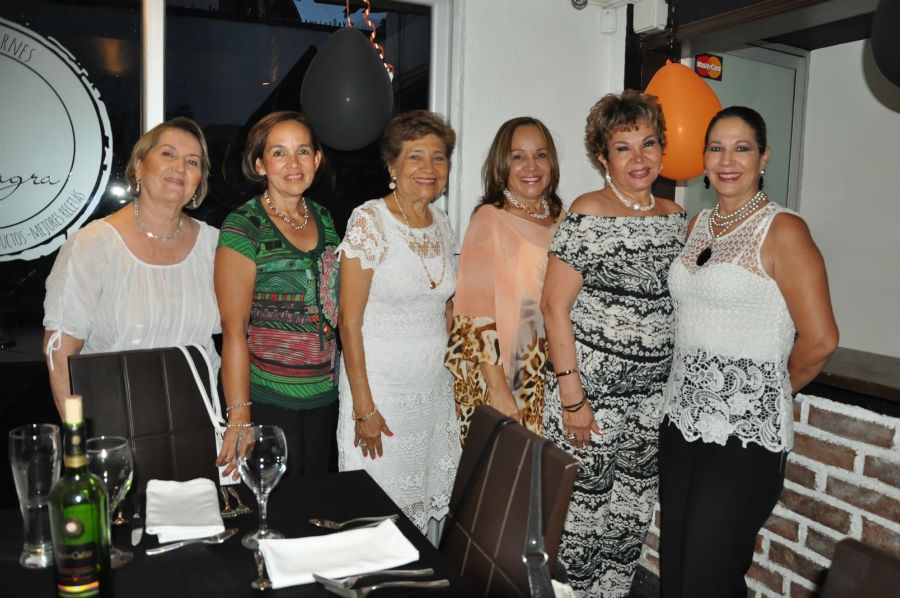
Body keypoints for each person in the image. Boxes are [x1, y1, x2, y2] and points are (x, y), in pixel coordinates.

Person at [658, 106, 838, 597]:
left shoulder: (784, 230)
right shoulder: (698, 225)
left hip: (743, 437)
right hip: (681, 423)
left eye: (742, 148)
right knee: (676, 569)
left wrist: (761, 394)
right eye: (716, 148)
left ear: (764, 157)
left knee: (709, 574)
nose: (727, 160)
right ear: (703, 158)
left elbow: (821, 339)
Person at [540, 90, 686, 597]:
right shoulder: (588, 213)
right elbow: (553, 307)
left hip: (651, 403)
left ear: (662, 149)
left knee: (628, 525)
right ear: (603, 157)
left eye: (648, 143)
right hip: (590, 401)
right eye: (623, 147)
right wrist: (572, 399)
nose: (639, 157)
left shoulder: (676, 217)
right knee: (579, 530)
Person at [336, 110, 461, 545]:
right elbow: (348, 323)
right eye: (415, 156)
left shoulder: (443, 224)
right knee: (377, 520)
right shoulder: (369, 221)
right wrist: (364, 408)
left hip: (434, 396)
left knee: (422, 513)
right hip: (382, 399)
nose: (429, 168)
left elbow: (445, 307)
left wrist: (455, 384)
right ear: (392, 166)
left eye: (439, 157)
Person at [43, 117, 220, 419]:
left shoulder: (214, 246)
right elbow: (60, 353)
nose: (180, 167)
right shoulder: (93, 244)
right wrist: (77, 433)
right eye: (168, 154)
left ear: (199, 180)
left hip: (198, 424)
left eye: (192, 162)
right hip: (114, 426)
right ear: (138, 166)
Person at [215, 111, 340, 479]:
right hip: (268, 401)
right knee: (277, 506)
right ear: (260, 164)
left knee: (316, 502)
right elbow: (233, 329)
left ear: (317, 159)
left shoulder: (325, 218)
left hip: (324, 396)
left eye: (303, 151)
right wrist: (240, 417)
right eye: (279, 153)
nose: (293, 163)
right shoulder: (243, 226)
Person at [445, 117, 564, 441]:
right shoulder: (490, 220)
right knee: (509, 471)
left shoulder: (562, 219)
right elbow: (473, 317)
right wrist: (498, 392)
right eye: (518, 156)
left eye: (540, 155)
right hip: (506, 380)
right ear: (502, 164)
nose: (531, 166)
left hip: (553, 378)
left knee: (548, 472)